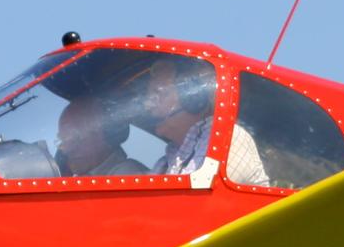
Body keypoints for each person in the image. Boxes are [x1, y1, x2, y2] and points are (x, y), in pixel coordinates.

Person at [138, 57, 269, 185]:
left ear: (194, 99)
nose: (149, 105)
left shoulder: (229, 139)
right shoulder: (169, 159)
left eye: (159, 94)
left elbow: (198, 201)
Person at [55, 95, 148, 177]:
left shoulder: (126, 175)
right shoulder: (84, 178)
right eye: (63, 140)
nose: (67, 150)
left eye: (75, 138)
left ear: (104, 134)